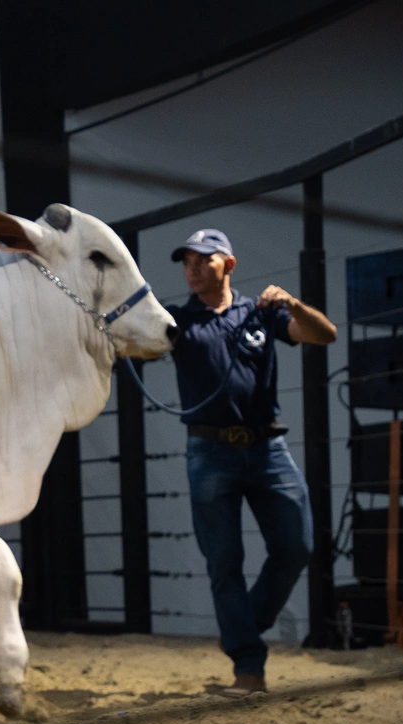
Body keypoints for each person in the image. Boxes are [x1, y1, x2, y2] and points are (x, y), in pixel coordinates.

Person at [164, 228, 337, 697]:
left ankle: (242, 626)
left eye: (203, 259)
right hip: (209, 453)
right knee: (224, 561)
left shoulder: (260, 313)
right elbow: (132, 346)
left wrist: (294, 306)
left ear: (229, 264)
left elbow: (326, 335)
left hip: (266, 449)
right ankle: (248, 669)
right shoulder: (175, 321)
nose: (193, 269)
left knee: (297, 545)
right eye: (187, 261)